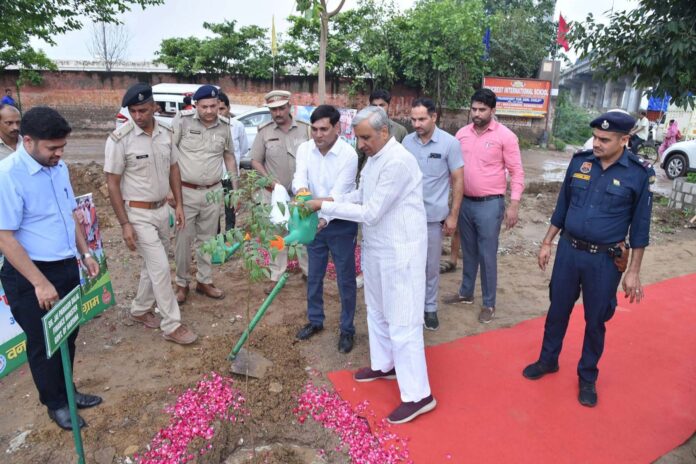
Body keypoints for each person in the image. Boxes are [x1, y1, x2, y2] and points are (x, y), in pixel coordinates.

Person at [306, 106, 436, 425]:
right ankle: (384, 364)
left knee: (403, 320)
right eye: (358, 137)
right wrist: (328, 206)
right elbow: (360, 194)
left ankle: (419, 395)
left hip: (400, 251)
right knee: (376, 309)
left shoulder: (399, 161)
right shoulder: (375, 159)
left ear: (384, 132)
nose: (360, 144)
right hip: (377, 248)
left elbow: (372, 211)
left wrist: (324, 204)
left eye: (365, 138)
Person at [522, 111, 654, 407]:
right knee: (558, 309)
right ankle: (548, 360)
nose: (597, 143)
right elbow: (562, 207)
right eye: (595, 136)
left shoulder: (638, 173)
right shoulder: (579, 162)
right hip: (569, 251)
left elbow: (640, 228)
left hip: (604, 261)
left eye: (604, 139)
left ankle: (587, 376)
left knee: (595, 319)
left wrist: (633, 272)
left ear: (625, 140)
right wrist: (546, 242)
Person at [0, 107, 103, 430]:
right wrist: (39, 283)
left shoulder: (58, 168)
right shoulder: (8, 176)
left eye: (62, 147)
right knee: (43, 344)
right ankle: (55, 403)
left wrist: (86, 254)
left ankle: (68, 391)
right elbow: (4, 236)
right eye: (52, 148)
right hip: (30, 276)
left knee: (68, 334)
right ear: (27, 141)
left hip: (64, 266)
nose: (59, 154)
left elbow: (69, 213)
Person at [104, 83, 197, 345]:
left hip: (161, 210)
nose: (137, 116)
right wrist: (124, 224)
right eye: (133, 111)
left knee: (151, 265)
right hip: (137, 213)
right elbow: (112, 183)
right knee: (160, 268)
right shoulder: (120, 140)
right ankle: (172, 324)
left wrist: (178, 204)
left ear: (154, 106)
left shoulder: (166, 132)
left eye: (142, 110)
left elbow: (174, 169)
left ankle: (139, 309)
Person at [443, 88, 525, 324]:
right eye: (474, 109)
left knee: (487, 255)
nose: (477, 114)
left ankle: (489, 303)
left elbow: (517, 172)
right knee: (468, 251)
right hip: (465, 202)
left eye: (482, 110)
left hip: (490, 205)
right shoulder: (461, 134)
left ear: (493, 110)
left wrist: (514, 204)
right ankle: (466, 293)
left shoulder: (505, 136)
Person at [292, 105, 358, 353]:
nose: (318, 135)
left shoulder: (348, 155)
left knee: (345, 278)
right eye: (314, 129)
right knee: (314, 275)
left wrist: (322, 219)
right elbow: (299, 179)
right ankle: (315, 320)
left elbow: (338, 196)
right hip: (312, 219)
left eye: (324, 129)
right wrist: (300, 195)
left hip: (340, 223)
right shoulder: (304, 149)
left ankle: (347, 329)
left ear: (337, 128)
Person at [402, 97, 463, 331]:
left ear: (434, 117)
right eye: (413, 119)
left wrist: (453, 216)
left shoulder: (449, 144)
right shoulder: (407, 142)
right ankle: (411, 306)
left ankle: (430, 308)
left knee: (430, 266)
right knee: (408, 264)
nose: (416, 124)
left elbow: (458, 180)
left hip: (433, 218)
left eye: (422, 119)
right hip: (407, 217)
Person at [172, 85, 236, 303]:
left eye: (213, 106)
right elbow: (169, 157)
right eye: (204, 107)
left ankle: (204, 281)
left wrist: (234, 190)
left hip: (213, 192)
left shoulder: (225, 126)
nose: (209, 111)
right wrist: (169, 191)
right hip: (185, 192)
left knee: (207, 240)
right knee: (182, 240)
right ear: (195, 106)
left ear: (219, 105)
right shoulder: (182, 121)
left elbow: (229, 157)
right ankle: (182, 283)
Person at [250, 90, 310, 294]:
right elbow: (255, 160)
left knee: (303, 233)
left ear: (289, 107)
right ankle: (276, 275)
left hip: (300, 194)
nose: (277, 112)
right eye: (273, 109)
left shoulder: (306, 130)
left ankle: (308, 272)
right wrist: (268, 179)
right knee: (277, 235)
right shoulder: (264, 132)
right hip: (275, 194)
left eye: (281, 108)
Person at [218, 91, 249, 231]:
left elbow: (242, 150)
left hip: (230, 179)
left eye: (222, 109)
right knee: (213, 215)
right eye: (216, 108)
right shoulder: (206, 128)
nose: (218, 113)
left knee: (230, 211)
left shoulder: (237, 127)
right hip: (213, 180)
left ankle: (228, 241)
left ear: (229, 108)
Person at [356, 89, 408, 173]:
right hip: (367, 176)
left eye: (381, 105)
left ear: (389, 106)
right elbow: (359, 158)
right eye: (374, 105)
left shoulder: (400, 131)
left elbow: (405, 159)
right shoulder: (364, 128)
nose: (378, 109)